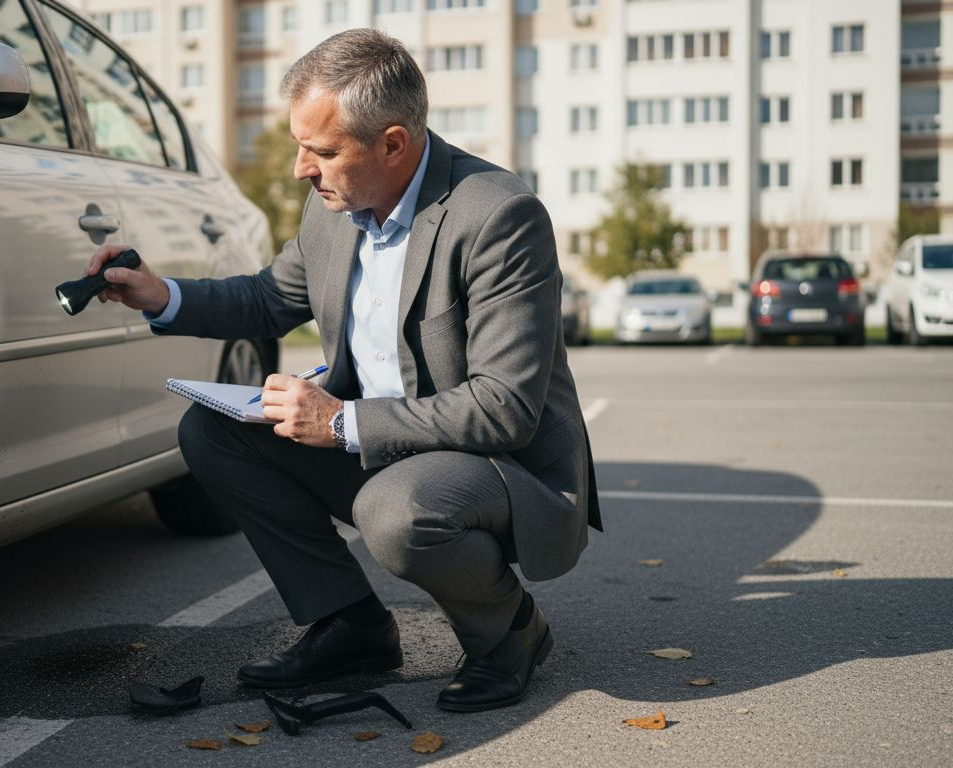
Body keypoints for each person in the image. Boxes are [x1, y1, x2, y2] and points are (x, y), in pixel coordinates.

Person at [85, 28, 601, 712]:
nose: (302, 167)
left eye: (322, 151)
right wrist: (160, 294)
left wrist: (341, 421)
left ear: (393, 143)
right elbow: (271, 298)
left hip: (498, 466)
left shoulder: (498, 217)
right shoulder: (334, 207)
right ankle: (351, 625)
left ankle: (510, 632)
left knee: (397, 512)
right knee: (212, 433)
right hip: (385, 442)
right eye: (303, 145)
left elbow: (505, 406)